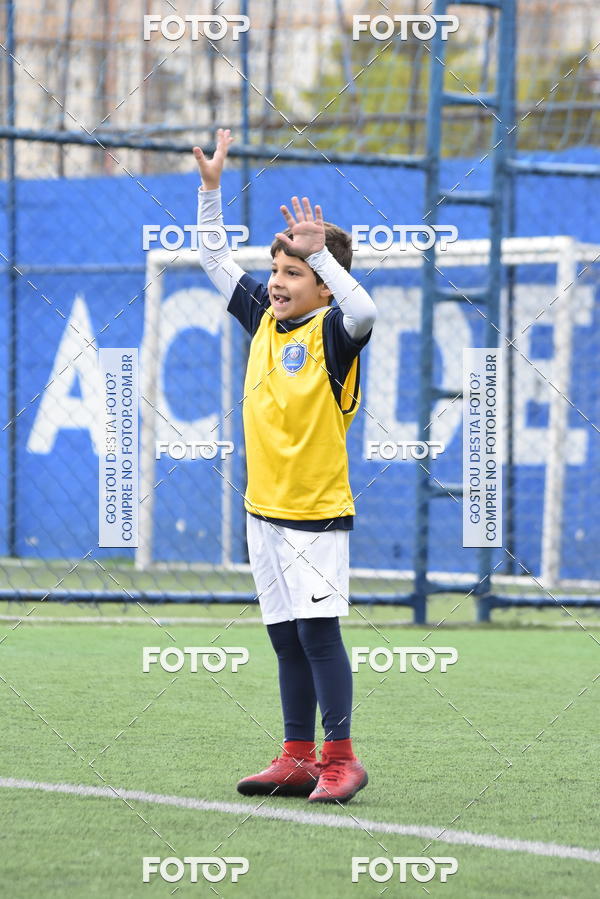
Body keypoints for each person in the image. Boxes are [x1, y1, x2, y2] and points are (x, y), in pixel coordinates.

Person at [193, 128, 377, 804]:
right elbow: (213, 257)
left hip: (316, 516)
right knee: (283, 637)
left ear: (323, 284)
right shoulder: (264, 318)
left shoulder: (335, 331)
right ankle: (296, 754)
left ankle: (342, 756)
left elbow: (365, 307)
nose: (276, 282)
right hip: (262, 511)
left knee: (319, 635)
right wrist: (211, 193)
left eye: (293, 272)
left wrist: (322, 256)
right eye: (276, 270)